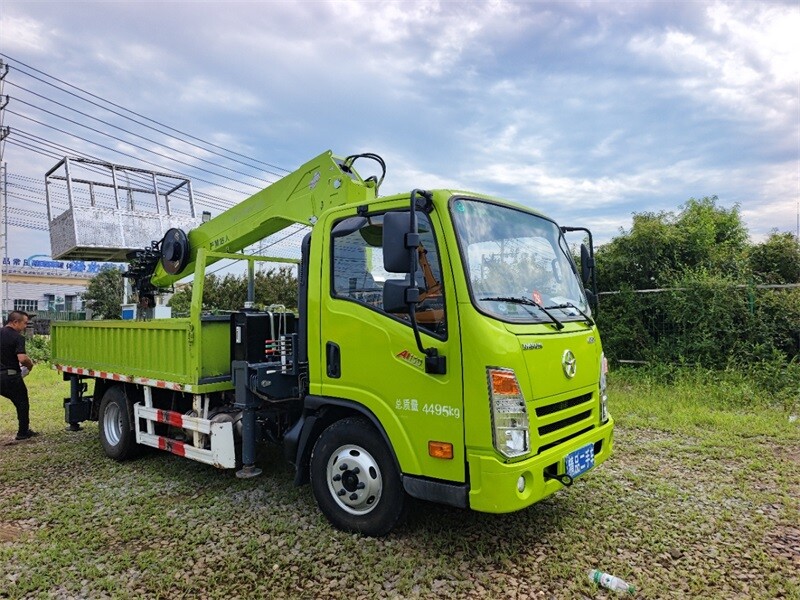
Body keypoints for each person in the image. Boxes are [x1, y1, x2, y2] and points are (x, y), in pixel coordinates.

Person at [1, 311, 38, 440]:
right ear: (15, 322)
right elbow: (22, 358)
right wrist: (30, 365)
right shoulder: (17, 337)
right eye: (25, 323)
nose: (25, 326)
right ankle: (23, 432)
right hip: (11, 377)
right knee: (22, 403)